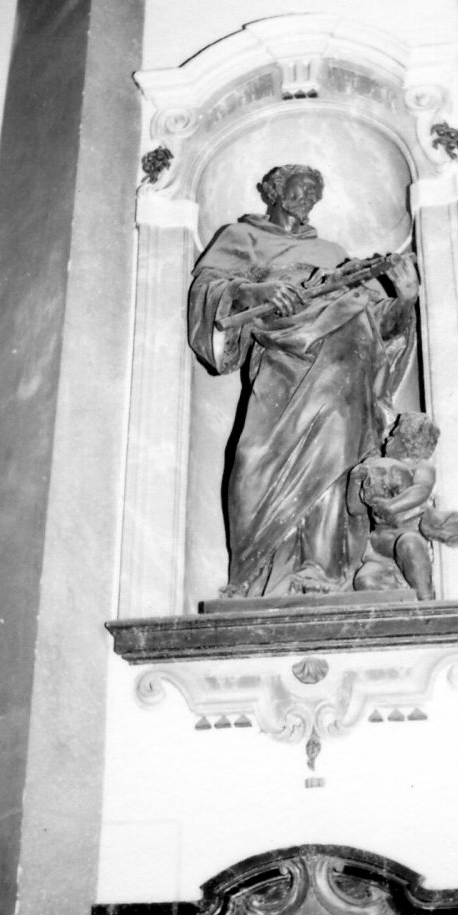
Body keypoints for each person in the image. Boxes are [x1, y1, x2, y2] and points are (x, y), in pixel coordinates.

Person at [188, 164, 418, 597]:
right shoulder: (242, 239)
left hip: (339, 361)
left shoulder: (332, 252)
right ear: (273, 191)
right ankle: (252, 578)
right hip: (279, 360)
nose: (308, 197)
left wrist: (403, 301)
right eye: (300, 187)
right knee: (253, 459)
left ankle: (319, 565)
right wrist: (255, 292)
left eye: (316, 191)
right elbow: (207, 290)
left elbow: (374, 319)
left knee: (334, 444)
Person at [348, 412, 458, 600]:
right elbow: (355, 509)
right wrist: (355, 480)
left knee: (409, 546)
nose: (387, 438)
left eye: (394, 434)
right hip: (378, 551)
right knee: (365, 582)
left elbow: (421, 489)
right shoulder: (373, 466)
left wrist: (392, 506)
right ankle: (400, 609)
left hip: (407, 536)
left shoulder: (420, 467)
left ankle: (427, 604)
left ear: (408, 441)